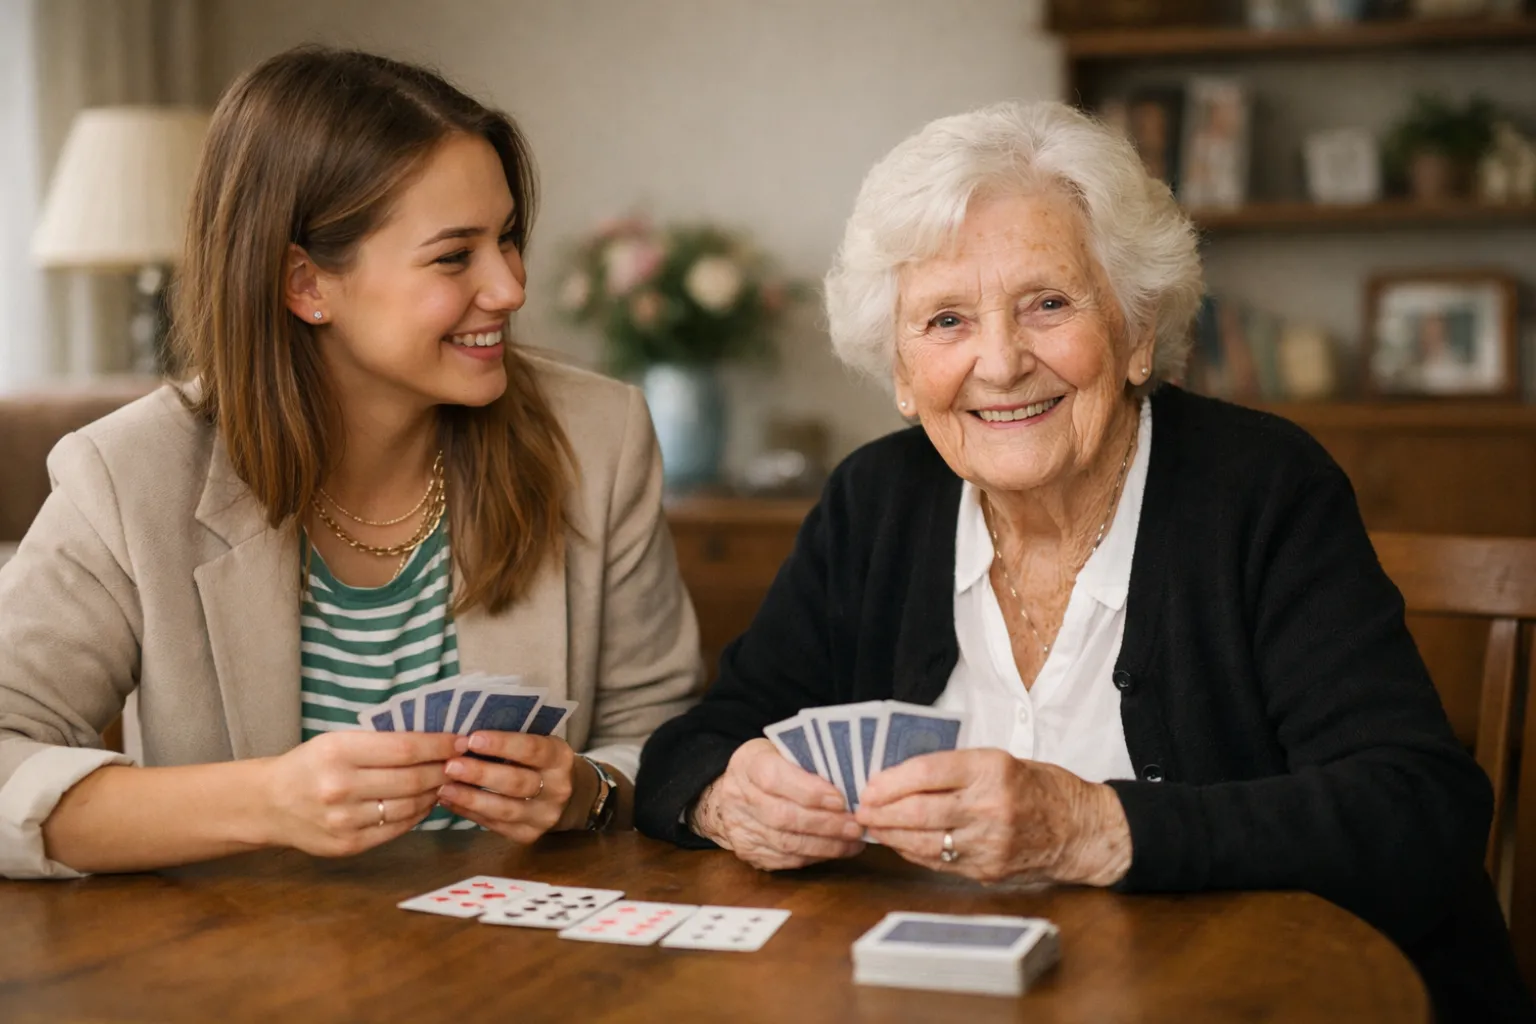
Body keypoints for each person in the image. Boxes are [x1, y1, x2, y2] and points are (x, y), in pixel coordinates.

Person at [635, 101, 1532, 1021]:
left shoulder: (1261, 490)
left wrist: (1088, 828)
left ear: (1138, 330)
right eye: (945, 320)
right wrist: (724, 795)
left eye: (1048, 304)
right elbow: (698, 740)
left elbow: (1415, 810)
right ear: (901, 373)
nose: (1000, 361)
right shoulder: (876, 502)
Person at [0, 47, 703, 879]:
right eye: (455, 255)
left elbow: (666, 732)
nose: (510, 287)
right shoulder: (124, 475)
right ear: (306, 284)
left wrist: (587, 788)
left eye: (508, 239)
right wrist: (264, 801)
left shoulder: (598, 436)